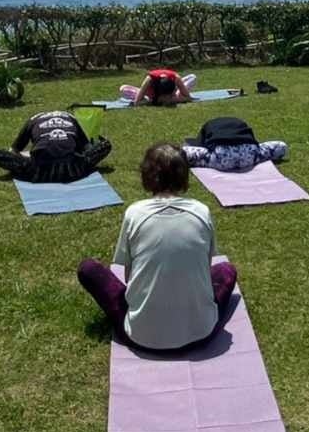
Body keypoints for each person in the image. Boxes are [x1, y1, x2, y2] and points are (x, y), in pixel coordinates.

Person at [76, 144, 237, 351]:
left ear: (146, 176)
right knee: (226, 270)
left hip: (141, 336)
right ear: (184, 177)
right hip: (200, 332)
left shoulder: (135, 213)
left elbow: (128, 278)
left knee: (88, 268)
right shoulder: (202, 211)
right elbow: (205, 271)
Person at [0, 108, 113, 184]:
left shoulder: (33, 120)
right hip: (74, 169)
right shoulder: (72, 118)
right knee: (105, 145)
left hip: (39, 171)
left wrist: (24, 158)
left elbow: (14, 150)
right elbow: (87, 149)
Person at [180, 114, 290, 173]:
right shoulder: (240, 123)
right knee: (281, 146)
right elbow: (252, 140)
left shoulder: (208, 126)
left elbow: (200, 145)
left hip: (222, 158)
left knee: (182, 152)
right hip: (249, 156)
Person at [123, 69, 197, 106]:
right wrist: (152, 101)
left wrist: (173, 100)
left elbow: (188, 98)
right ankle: (146, 96)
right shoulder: (149, 80)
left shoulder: (175, 78)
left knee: (193, 77)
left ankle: (176, 93)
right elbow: (137, 102)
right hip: (150, 94)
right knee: (123, 89)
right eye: (164, 96)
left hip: (175, 91)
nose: (165, 100)